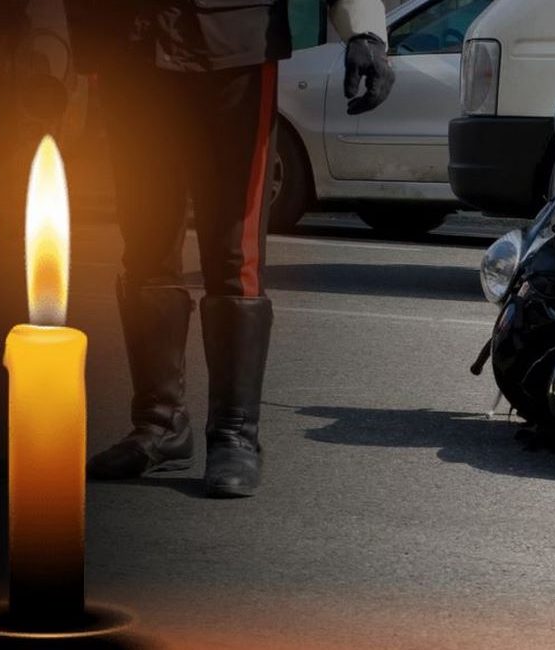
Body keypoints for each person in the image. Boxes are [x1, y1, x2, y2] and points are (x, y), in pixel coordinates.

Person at [70, 0, 394, 497]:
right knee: (145, 246)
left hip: (234, 45)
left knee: (233, 253)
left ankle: (234, 433)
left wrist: (364, 30)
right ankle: (158, 424)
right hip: (131, 46)